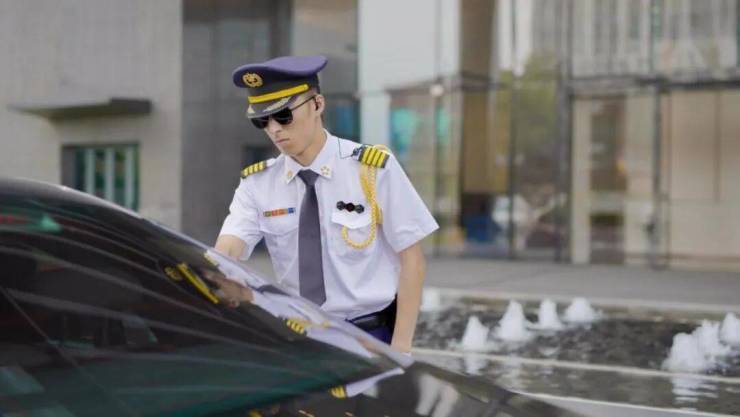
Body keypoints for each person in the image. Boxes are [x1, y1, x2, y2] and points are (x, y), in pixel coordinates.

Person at [215, 55, 438, 354]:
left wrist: (400, 350)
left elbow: (412, 260)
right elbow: (229, 248)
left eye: (283, 116)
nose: (274, 129)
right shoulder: (258, 184)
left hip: (370, 337)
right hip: (298, 338)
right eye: (262, 121)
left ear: (318, 104)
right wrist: (216, 270)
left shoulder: (372, 170)